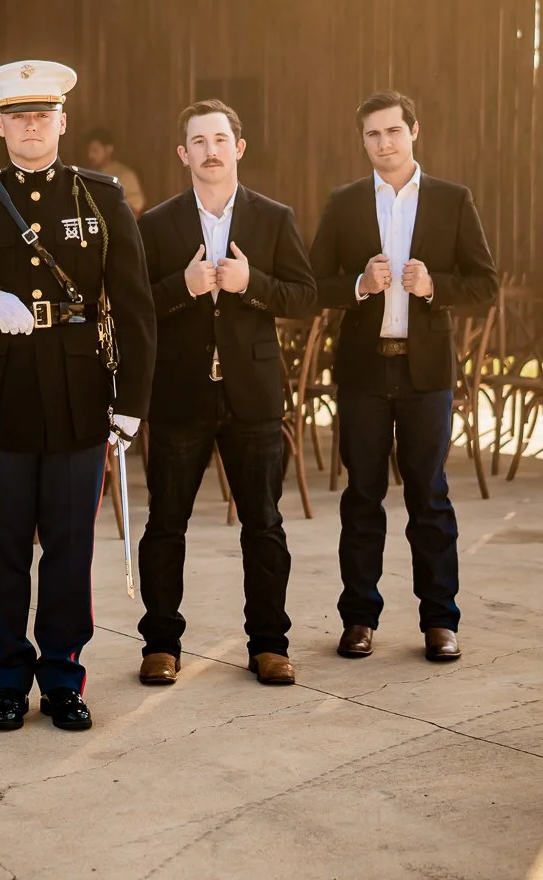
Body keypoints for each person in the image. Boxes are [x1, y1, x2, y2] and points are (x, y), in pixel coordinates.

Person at [0, 60, 155, 732]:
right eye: (18, 116)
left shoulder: (101, 198)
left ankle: (64, 678)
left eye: (42, 115)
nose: (31, 125)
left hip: (81, 397)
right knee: (7, 551)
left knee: (72, 550)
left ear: (62, 122)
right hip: (0, 398)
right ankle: (8, 680)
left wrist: (131, 400)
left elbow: (135, 309)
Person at [308, 90, 498, 663]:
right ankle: (359, 619)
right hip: (364, 371)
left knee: (429, 497)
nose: (384, 144)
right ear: (362, 141)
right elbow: (313, 283)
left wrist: (433, 285)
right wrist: (360, 284)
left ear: (415, 131)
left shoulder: (451, 200)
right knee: (361, 496)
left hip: (426, 375)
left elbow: (486, 285)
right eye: (373, 135)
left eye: (393, 131)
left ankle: (441, 621)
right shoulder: (344, 203)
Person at [135, 100, 315, 687]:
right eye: (198, 141)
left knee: (263, 523)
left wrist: (251, 284)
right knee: (166, 523)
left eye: (220, 139)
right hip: (179, 395)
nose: (210, 150)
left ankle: (269, 644)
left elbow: (304, 296)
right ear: (183, 154)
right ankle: (160, 643)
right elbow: (134, 307)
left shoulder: (274, 217)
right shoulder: (156, 224)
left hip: (253, 395)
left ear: (238, 147)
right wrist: (182, 288)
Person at [84, 128, 147, 215]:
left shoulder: (125, 175)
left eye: (95, 150)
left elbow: (134, 211)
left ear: (109, 149)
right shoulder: (86, 175)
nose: (90, 155)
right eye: (89, 150)